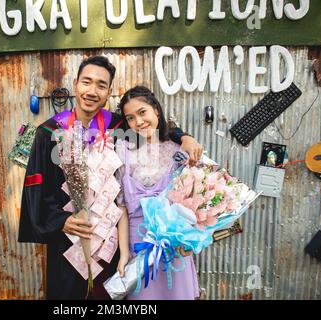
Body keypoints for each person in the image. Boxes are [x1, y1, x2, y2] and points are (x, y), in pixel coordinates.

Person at [18, 56, 203, 300]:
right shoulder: (49, 133)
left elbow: (155, 130)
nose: (92, 91)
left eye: (101, 85)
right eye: (87, 82)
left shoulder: (118, 126)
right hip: (70, 241)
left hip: (111, 244)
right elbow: (35, 190)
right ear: (76, 84)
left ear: (108, 93)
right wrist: (60, 221)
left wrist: (184, 137)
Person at [115, 86, 201, 300]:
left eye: (142, 112)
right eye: (130, 118)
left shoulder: (179, 150)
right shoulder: (123, 151)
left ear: (157, 111)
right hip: (139, 245)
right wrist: (124, 253)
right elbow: (122, 208)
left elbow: (191, 202)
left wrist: (188, 241)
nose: (139, 122)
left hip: (174, 243)